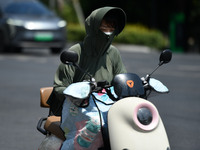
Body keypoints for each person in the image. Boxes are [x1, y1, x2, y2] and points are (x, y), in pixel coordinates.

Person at [47, 6, 127, 116]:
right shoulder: (76, 52)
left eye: (112, 27)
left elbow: (123, 81)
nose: (108, 32)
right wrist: (78, 95)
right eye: (104, 27)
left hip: (105, 109)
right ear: (93, 28)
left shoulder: (113, 53)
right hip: (75, 111)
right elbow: (60, 88)